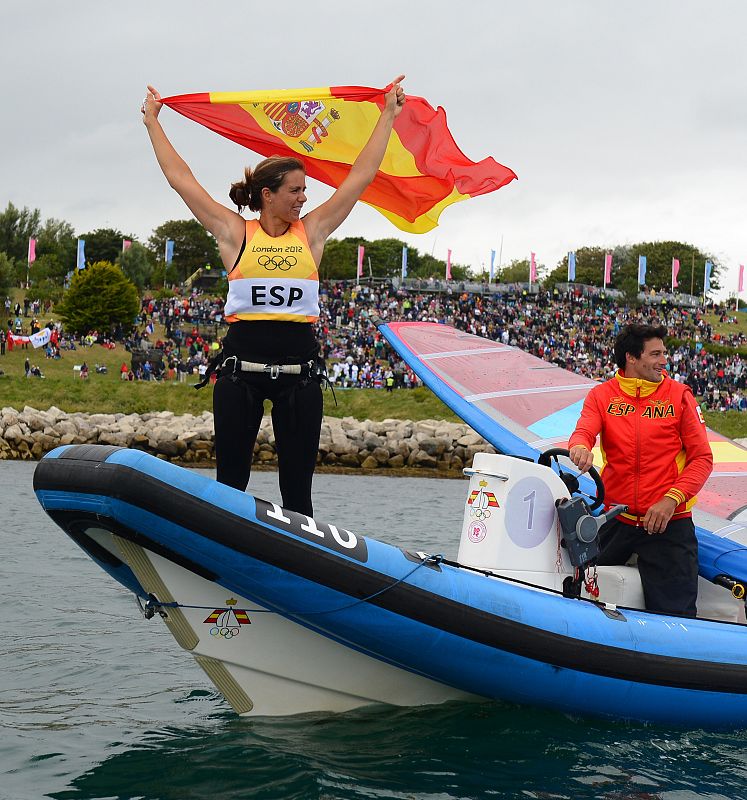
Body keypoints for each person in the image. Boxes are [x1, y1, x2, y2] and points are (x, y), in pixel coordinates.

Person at [142, 77, 406, 516]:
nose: (305, 198)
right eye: (296, 190)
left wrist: (388, 115)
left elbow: (361, 176)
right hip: (239, 378)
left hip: (299, 380)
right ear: (268, 195)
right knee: (230, 485)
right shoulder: (233, 233)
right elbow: (180, 179)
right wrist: (153, 121)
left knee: (298, 496)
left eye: (305, 190)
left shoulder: (314, 232)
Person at [568, 323, 713, 617]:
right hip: (616, 518)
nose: (664, 360)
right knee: (573, 588)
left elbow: (702, 459)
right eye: (656, 354)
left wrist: (670, 500)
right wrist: (580, 446)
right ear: (631, 358)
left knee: (677, 617)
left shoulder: (680, 396)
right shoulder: (601, 396)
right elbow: (584, 430)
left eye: (664, 353)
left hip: (668, 523)